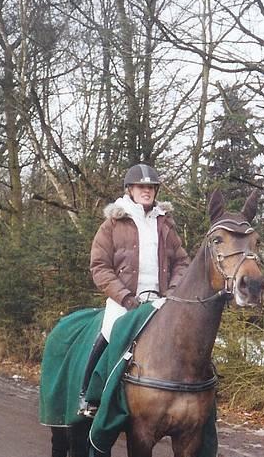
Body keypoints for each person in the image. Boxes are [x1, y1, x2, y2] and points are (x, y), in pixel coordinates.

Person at [78, 163, 190, 416]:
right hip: (125, 299)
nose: (146, 191)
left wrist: (172, 291)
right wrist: (126, 297)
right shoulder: (112, 224)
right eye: (141, 186)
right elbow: (99, 266)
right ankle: (88, 394)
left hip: (161, 299)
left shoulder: (165, 224)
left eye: (151, 187)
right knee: (108, 333)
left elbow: (182, 261)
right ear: (130, 189)